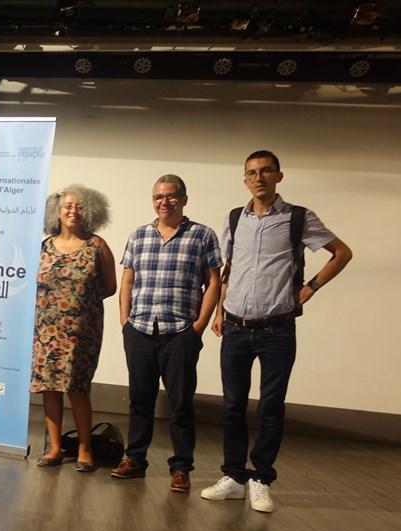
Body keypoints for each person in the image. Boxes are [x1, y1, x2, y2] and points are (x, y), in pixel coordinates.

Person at [201, 150, 352, 512]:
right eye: (252, 172)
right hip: (235, 326)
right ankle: (234, 476)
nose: (259, 177)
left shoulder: (298, 217)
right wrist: (220, 312)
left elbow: (342, 253)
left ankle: (261, 478)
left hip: (277, 329)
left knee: (270, 407)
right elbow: (229, 269)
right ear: (245, 180)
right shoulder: (234, 218)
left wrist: (310, 288)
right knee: (232, 406)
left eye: (266, 171)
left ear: (278, 176)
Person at [111, 174, 222, 493]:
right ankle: (135, 459)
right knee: (139, 400)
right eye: (158, 197)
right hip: (140, 329)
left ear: (184, 199)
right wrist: (125, 322)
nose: (164, 202)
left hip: (180, 332)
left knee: (180, 403)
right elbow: (128, 281)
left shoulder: (202, 235)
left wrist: (198, 328)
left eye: (171, 196)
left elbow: (214, 282)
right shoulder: (139, 235)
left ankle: (181, 468)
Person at [31, 184, 117, 472]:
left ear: (89, 212)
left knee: (78, 388)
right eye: (68, 206)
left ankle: (84, 448)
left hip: (82, 331)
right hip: (46, 329)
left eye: (79, 206)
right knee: (49, 388)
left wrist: (80, 305)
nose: (73, 211)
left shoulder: (97, 245)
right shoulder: (44, 247)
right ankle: (55, 448)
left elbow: (110, 287)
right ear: (57, 212)